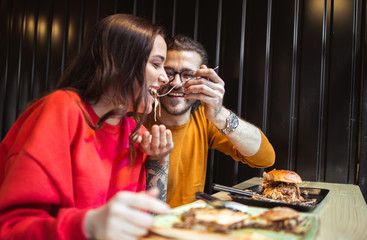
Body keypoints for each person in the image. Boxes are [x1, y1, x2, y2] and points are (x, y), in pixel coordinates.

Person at [0, 14, 173, 240]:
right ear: (120, 62)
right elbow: (10, 228)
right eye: (156, 64)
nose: (165, 78)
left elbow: (150, 220)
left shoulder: (136, 133)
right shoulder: (61, 110)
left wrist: (159, 159)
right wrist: (88, 226)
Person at [144, 35, 276, 208]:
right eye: (169, 73)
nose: (176, 82)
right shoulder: (135, 119)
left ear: (203, 79)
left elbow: (265, 158)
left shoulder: (204, 120)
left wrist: (219, 115)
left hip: (189, 225)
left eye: (187, 75)